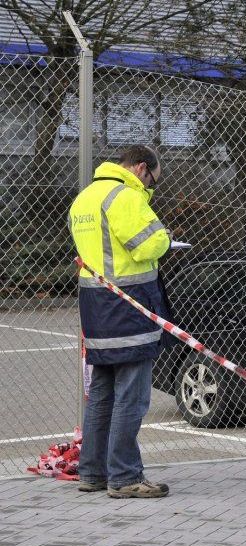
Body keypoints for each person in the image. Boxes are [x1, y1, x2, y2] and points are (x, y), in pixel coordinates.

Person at [68, 145, 172, 499]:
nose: (151, 190)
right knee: (132, 396)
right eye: (153, 182)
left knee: (101, 394)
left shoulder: (84, 198)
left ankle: (93, 472)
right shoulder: (126, 198)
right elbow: (147, 245)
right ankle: (125, 476)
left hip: (97, 310)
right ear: (142, 168)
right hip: (130, 310)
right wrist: (166, 238)